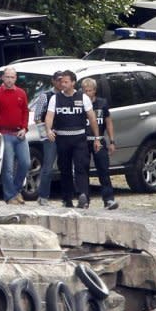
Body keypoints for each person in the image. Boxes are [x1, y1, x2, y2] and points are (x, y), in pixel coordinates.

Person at [44, 70, 100, 209]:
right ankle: (67, 199)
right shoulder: (55, 98)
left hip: (79, 137)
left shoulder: (83, 98)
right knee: (65, 169)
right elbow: (49, 116)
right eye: (62, 82)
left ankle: (83, 195)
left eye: (66, 82)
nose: (63, 84)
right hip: (62, 138)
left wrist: (97, 137)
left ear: (73, 83)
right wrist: (48, 130)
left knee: (81, 166)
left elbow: (92, 118)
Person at [0, 67, 30, 205]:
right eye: (7, 77)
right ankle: (10, 196)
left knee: (25, 163)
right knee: (8, 168)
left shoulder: (21, 93)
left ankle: (16, 190)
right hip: (4, 134)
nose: (10, 80)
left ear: (16, 78)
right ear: (3, 78)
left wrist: (24, 127)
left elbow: (25, 111)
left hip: (19, 133)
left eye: (12, 77)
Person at [81, 78, 119, 210]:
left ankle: (108, 199)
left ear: (94, 91)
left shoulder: (102, 103)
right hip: (84, 140)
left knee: (103, 169)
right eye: (85, 91)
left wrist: (112, 141)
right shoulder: (80, 104)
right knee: (83, 170)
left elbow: (108, 122)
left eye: (90, 90)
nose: (87, 93)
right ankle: (84, 198)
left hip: (99, 138)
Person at [34, 71, 64, 206]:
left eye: (63, 80)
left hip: (65, 134)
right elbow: (37, 117)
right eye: (58, 80)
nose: (61, 83)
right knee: (48, 166)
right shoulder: (45, 96)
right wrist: (46, 133)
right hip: (50, 135)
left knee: (67, 165)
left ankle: (67, 196)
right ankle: (43, 195)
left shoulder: (68, 95)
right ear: (53, 81)